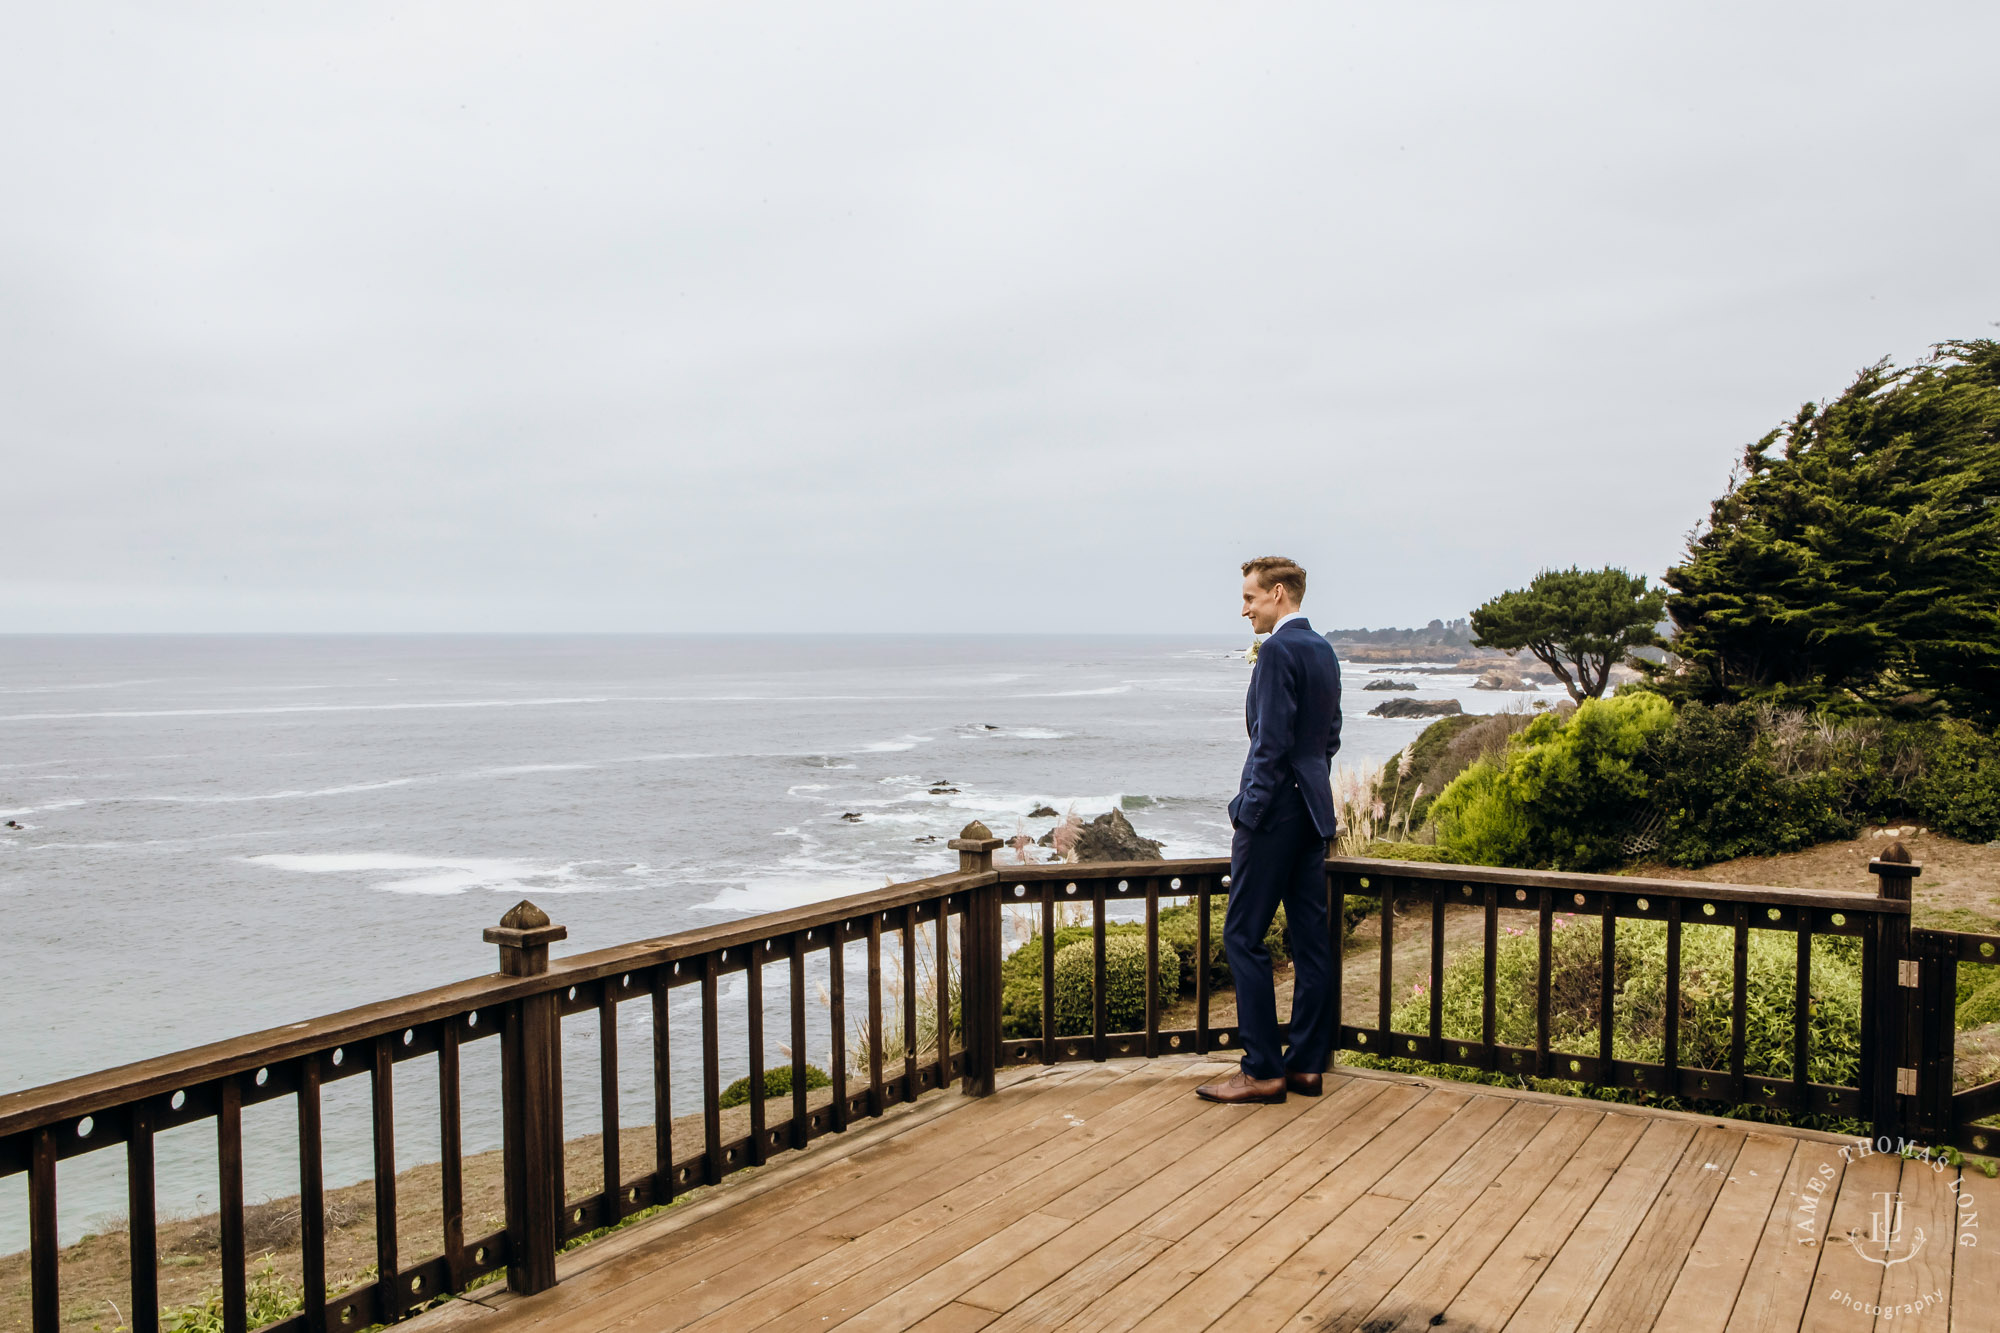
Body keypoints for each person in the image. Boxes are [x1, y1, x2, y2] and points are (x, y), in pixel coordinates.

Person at [1197, 556, 1342, 1104]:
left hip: (1274, 814)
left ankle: (1261, 1069)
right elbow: (1329, 734)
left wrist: (1248, 811)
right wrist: (1311, 783)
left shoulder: (1279, 650)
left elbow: (1270, 744)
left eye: (1251, 599)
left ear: (1278, 594)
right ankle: (1305, 1065)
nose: (1244, 609)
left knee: (1242, 935)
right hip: (1312, 812)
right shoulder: (1322, 649)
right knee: (1310, 940)